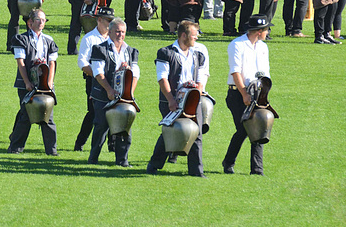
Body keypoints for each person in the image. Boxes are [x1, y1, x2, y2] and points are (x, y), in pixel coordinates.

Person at [146, 21, 207, 177]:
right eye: (194, 35)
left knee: (196, 134)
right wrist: (171, 99)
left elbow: (200, 79)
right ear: (183, 35)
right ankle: (154, 165)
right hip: (171, 100)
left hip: (192, 101)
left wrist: (197, 96)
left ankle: (196, 172)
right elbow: (162, 78)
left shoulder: (198, 54)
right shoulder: (165, 53)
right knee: (170, 132)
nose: (196, 38)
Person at [222, 14, 272, 176]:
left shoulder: (263, 47)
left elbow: (266, 73)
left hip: (258, 93)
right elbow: (235, 72)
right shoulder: (237, 45)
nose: (267, 32)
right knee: (243, 129)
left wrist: (263, 94)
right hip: (237, 93)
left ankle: (257, 170)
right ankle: (228, 162)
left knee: (259, 127)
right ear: (258, 31)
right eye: (266, 29)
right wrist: (244, 94)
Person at [88, 18, 140, 167]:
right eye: (117, 31)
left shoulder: (131, 51)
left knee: (125, 128)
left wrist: (129, 93)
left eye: (123, 32)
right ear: (109, 32)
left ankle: (122, 161)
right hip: (103, 96)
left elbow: (135, 74)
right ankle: (93, 158)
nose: (120, 34)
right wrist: (109, 90)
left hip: (124, 98)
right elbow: (98, 73)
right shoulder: (99, 49)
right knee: (101, 127)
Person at [7, 9, 59, 156]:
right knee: (26, 115)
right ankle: (15, 147)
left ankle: (51, 150)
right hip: (27, 83)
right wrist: (27, 82)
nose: (42, 22)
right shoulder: (21, 39)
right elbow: (21, 62)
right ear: (30, 22)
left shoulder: (49, 40)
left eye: (43, 20)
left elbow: (52, 63)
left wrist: (49, 83)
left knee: (47, 117)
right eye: (38, 20)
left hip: (45, 85)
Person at [74, 7, 114, 152]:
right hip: (93, 81)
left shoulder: (113, 38)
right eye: (107, 21)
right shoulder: (89, 38)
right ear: (99, 20)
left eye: (111, 21)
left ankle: (113, 145)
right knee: (93, 113)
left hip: (112, 81)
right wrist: (97, 75)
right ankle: (80, 142)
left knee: (114, 111)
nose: (110, 24)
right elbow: (82, 62)